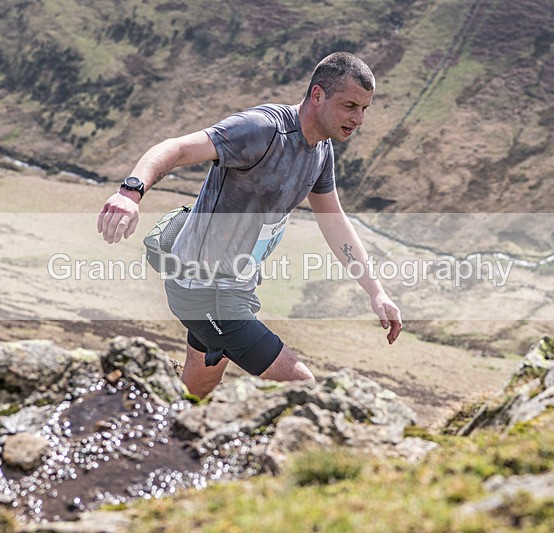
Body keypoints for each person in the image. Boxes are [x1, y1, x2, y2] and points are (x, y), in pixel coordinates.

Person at [98, 52, 402, 398]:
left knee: (199, 386)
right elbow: (177, 148)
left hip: (235, 287)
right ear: (318, 95)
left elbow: (334, 222)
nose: (358, 119)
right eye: (350, 106)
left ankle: (162, 438)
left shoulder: (320, 150)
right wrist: (130, 192)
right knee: (302, 389)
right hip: (203, 289)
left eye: (364, 109)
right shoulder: (263, 130)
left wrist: (376, 291)